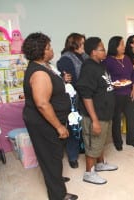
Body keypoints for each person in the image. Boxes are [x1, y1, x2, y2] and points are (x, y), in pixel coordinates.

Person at [22, 32, 78, 200]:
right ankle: (58, 194)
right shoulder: (39, 73)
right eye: (48, 47)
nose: (52, 49)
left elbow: (51, 87)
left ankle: (55, 178)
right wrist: (59, 126)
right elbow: (42, 104)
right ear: (40, 51)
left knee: (54, 154)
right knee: (50, 157)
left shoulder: (45, 65)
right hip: (44, 123)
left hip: (50, 120)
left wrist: (61, 79)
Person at [76, 37, 118, 185]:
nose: (104, 51)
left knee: (101, 142)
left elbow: (102, 85)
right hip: (96, 115)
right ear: (93, 52)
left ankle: (100, 164)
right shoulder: (88, 68)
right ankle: (89, 173)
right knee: (93, 144)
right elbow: (86, 95)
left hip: (105, 113)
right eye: (101, 49)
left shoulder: (100, 64)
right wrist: (94, 120)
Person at [102, 36, 134, 151]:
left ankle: (131, 140)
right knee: (117, 119)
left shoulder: (127, 58)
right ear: (115, 47)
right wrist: (112, 84)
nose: (124, 47)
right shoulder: (108, 61)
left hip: (128, 93)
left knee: (131, 117)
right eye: (121, 45)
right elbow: (104, 78)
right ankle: (118, 142)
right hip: (115, 94)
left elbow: (132, 74)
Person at [57, 33, 87, 169]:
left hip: (86, 95)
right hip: (74, 99)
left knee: (84, 125)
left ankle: (82, 148)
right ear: (74, 44)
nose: (84, 46)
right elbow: (71, 82)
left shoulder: (84, 55)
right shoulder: (65, 59)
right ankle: (73, 156)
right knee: (74, 127)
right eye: (82, 43)